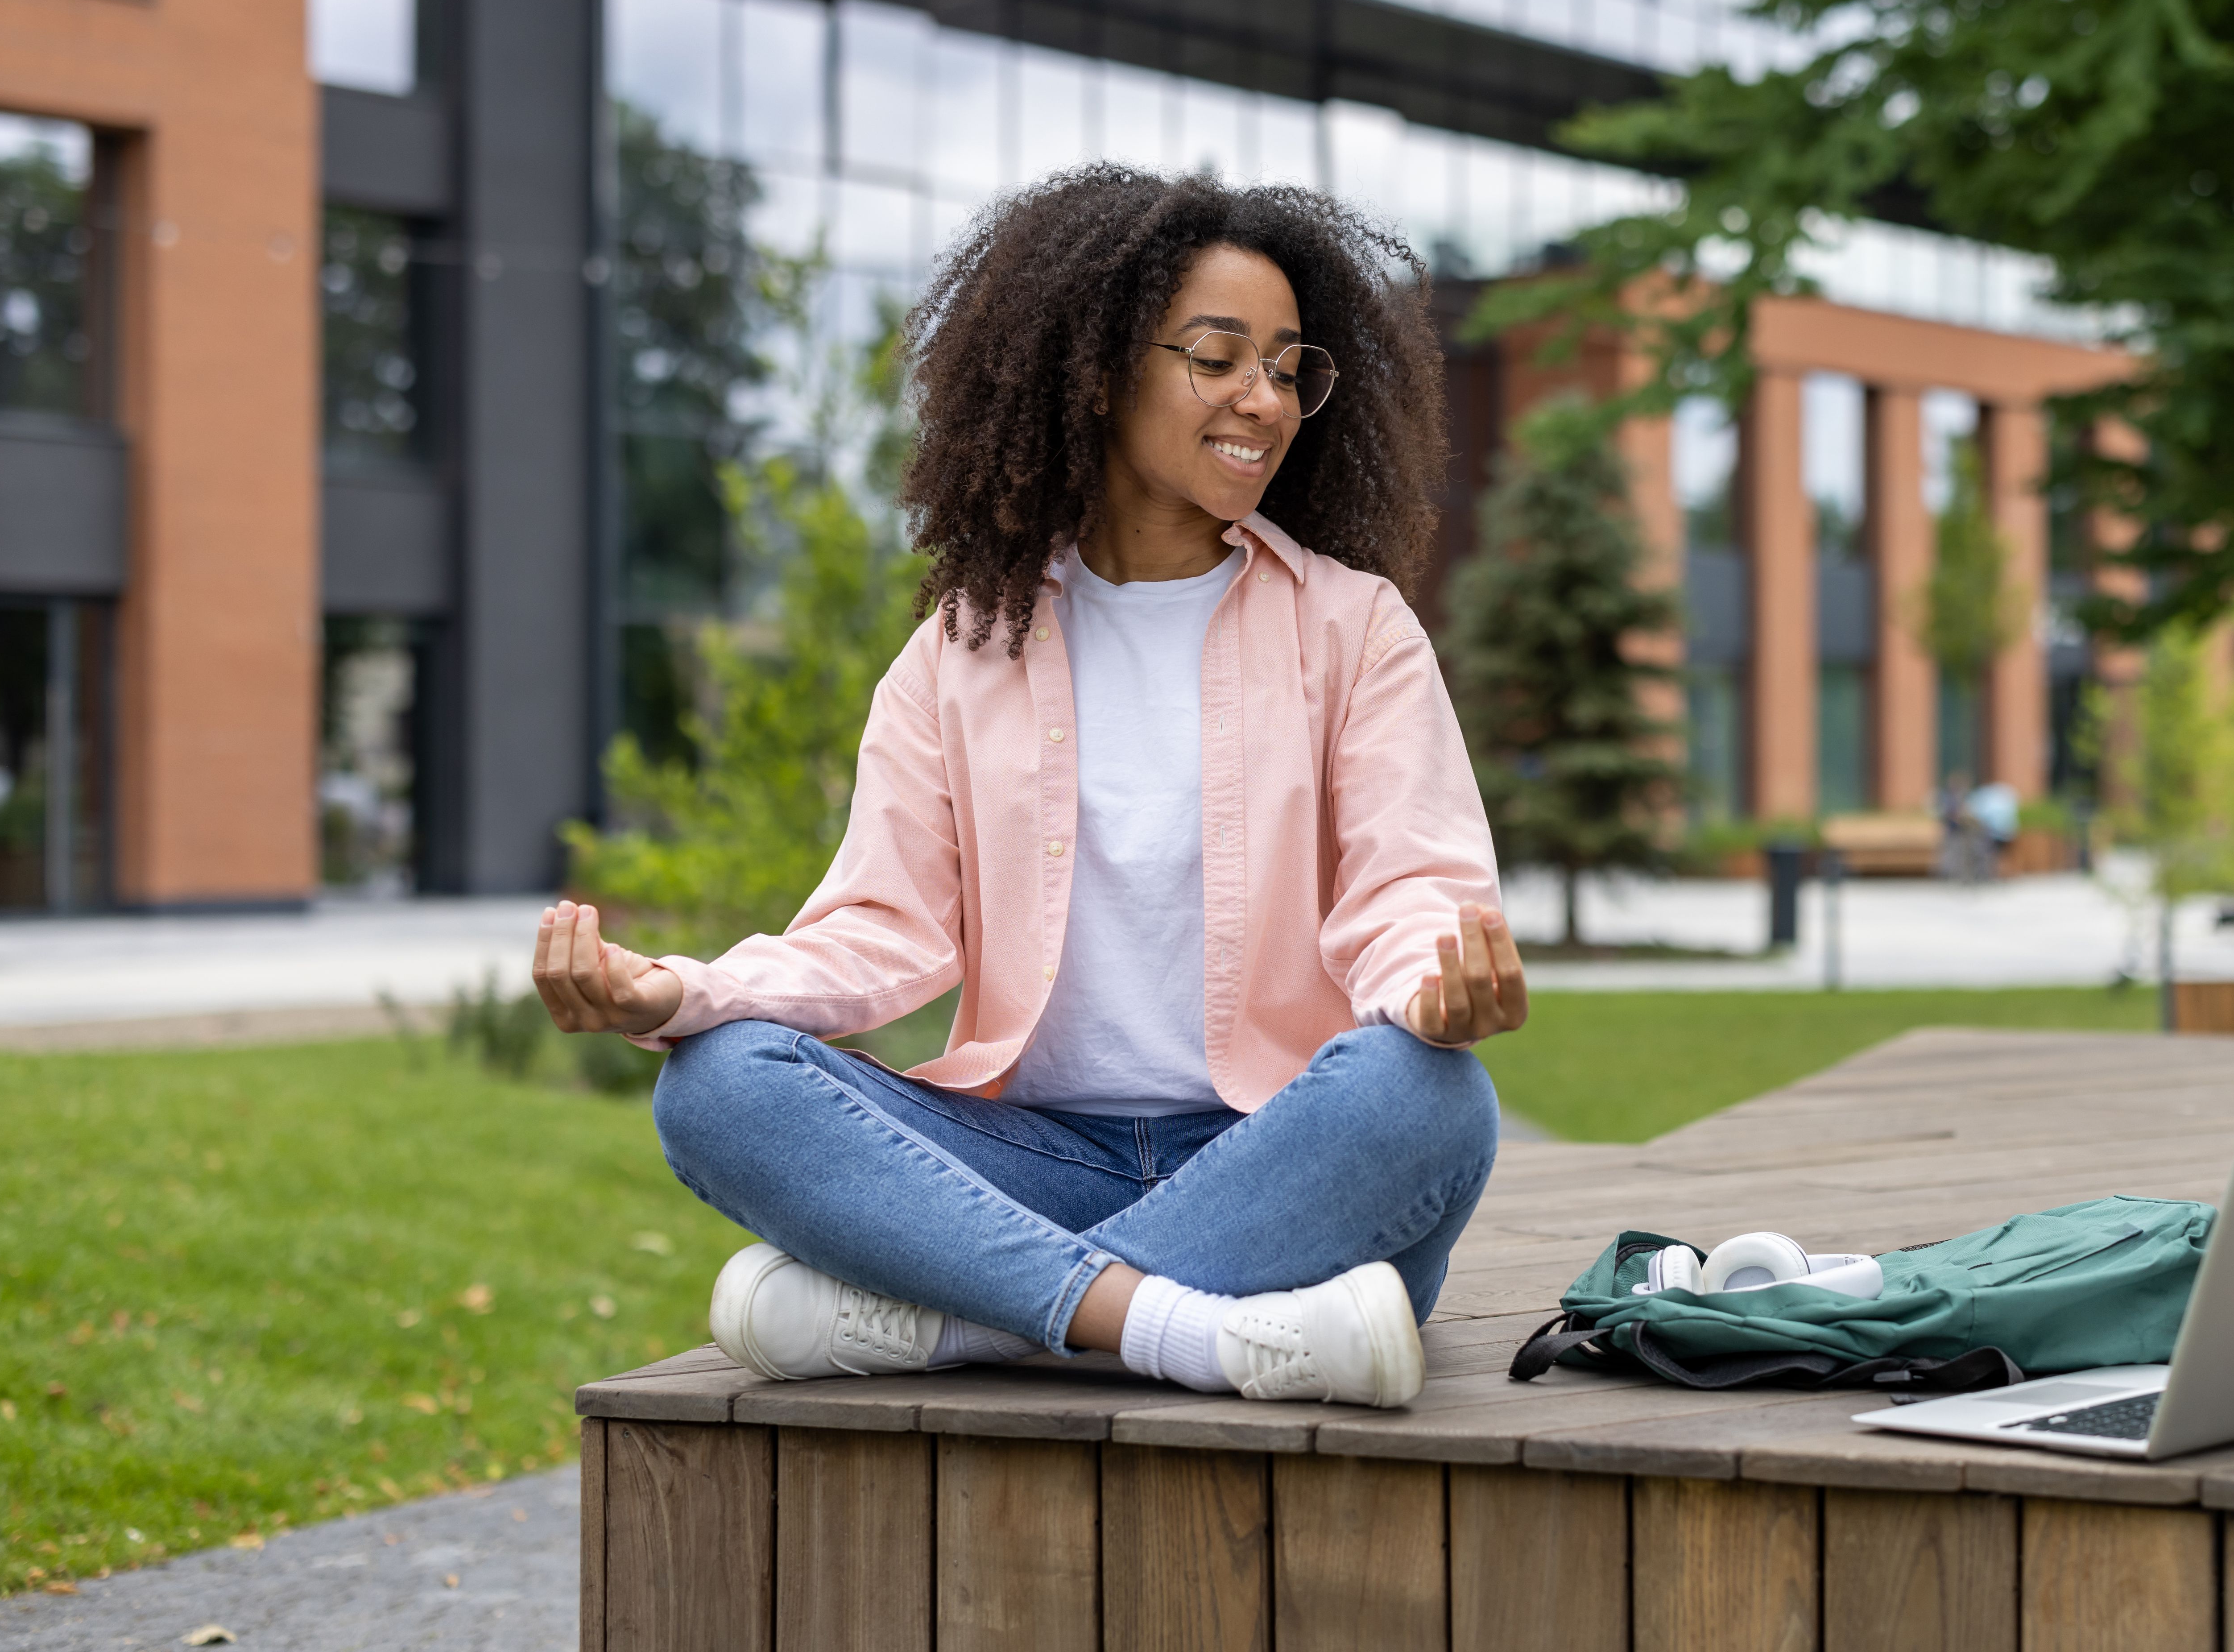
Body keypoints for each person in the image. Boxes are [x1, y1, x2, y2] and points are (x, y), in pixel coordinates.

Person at [528, 167, 1523, 1412]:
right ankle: (1197, 1332)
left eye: (1286, 368)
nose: (1261, 402)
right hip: (1025, 1163)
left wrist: (1435, 986)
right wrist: (679, 992)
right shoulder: (962, 647)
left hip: (1278, 1154)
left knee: (1426, 1098)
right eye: (1218, 359)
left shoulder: (1354, 629)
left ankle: (975, 1327)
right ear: (1097, 372)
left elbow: (1411, 884)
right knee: (720, 1087)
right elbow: (878, 930)